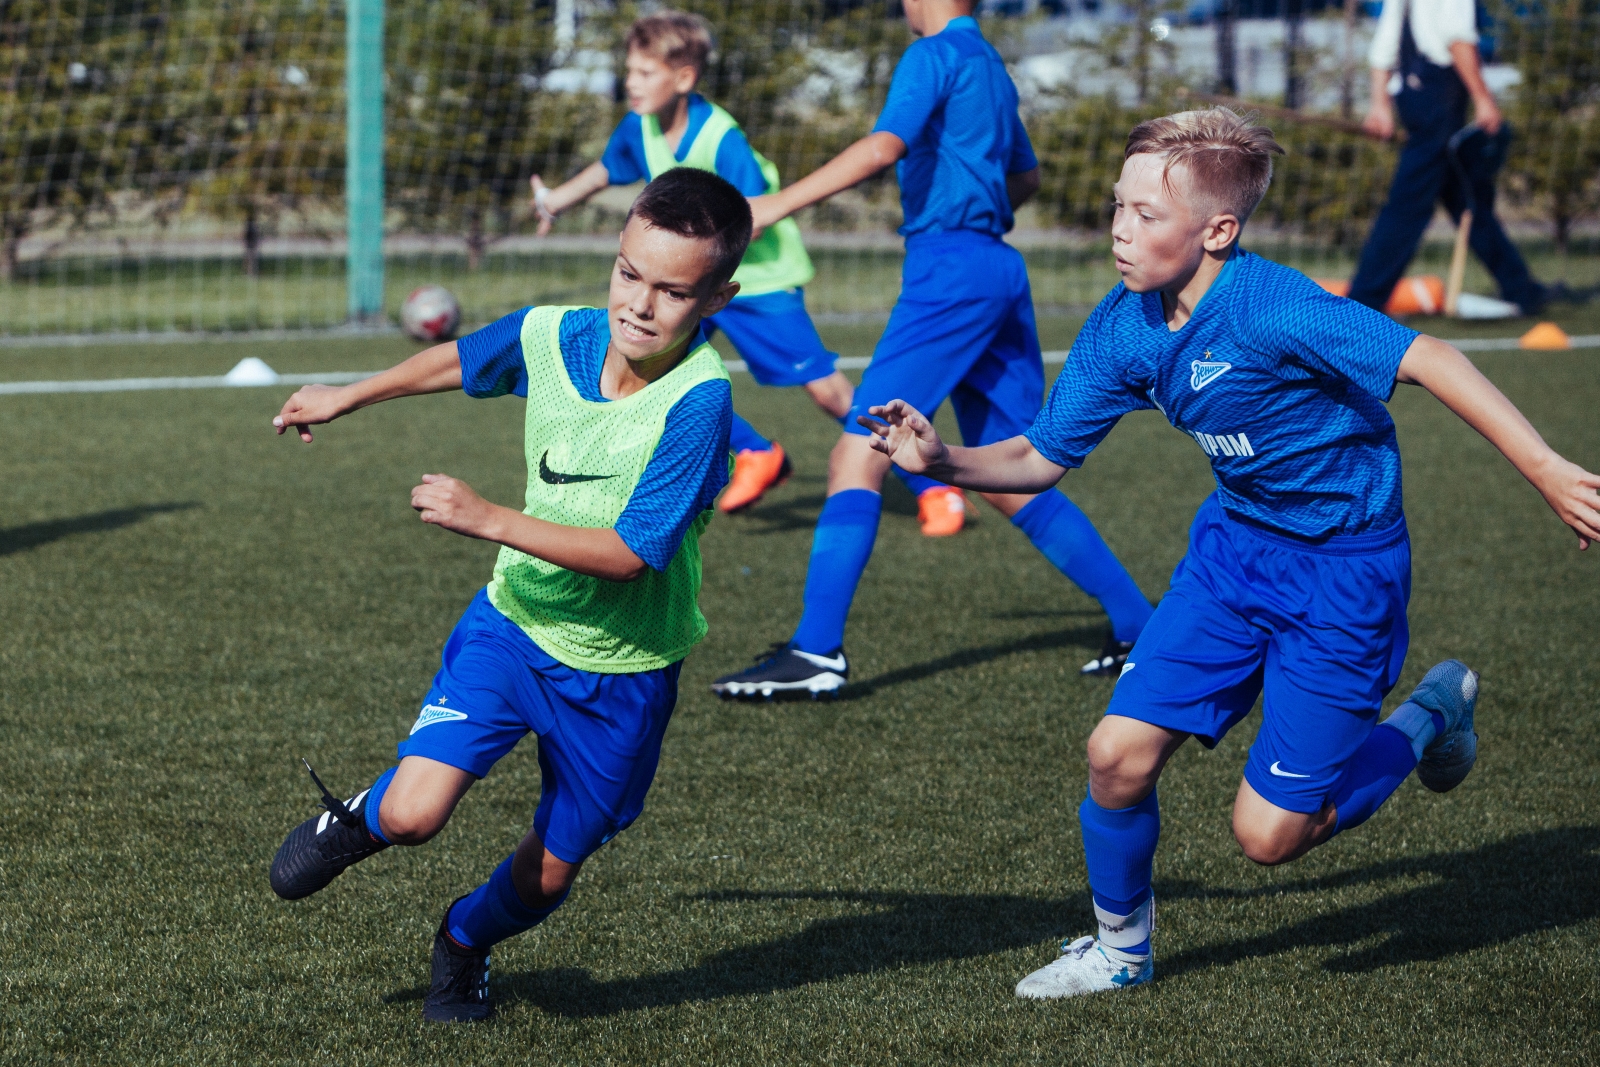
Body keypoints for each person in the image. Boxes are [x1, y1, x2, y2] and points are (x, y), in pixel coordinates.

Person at [860, 107, 1600, 997]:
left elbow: (1430, 355)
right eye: (1117, 207)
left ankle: (1430, 715)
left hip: (1342, 575)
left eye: (1145, 214)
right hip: (1233, 558)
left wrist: (1548, 469)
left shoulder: (1273, 305)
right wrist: (941, 460)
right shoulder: (1124, 324)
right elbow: (1035, 458)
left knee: (1270, 837)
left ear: (1218, 230)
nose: (1119, 231)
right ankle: (1120, 949)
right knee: (1115, 754)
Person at [265, 168, 751, 1022]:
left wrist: (488, 516)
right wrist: (349, 394)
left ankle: (462, 940)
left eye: (673, 290)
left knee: (552, 870)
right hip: (516, 625)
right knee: (414, 815)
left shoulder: (700, 401)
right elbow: (462, 358)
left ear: (717, 295)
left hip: (624, 671)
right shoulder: (555, 336)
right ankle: (359, 814)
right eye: (628, 272)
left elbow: (633, 555)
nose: (638, 303)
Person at [708, 0, 1155, 698]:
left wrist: (770, 205)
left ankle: (817, 652)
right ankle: (1140, 628)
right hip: (998, 267)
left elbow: (884, 146)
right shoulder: (993, 67)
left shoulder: (932, 54)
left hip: (949, 269)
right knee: (1007, 474)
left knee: (859, 447)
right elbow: (1026, 178)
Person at [530, 10, 966, 532]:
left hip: (757, 281)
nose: (632, 83)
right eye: (630, 71)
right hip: (690, 285)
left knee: (829, 393)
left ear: (684, 78)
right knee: (651, 374)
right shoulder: (636, 128)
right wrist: (554, 201)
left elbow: (754, 215)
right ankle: (757, 452)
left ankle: (933, 484)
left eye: (645, 73)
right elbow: (605, 170)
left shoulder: (721, 137)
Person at [1351, 0, 1549, 314]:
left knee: (1466, 200)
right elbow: (1458, 39)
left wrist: (1381, 105)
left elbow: (1385, 44)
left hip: (1413, 93)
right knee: (1408, 205)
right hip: (1438, 94)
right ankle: (1363, 301)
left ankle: (1521, 288)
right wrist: (1483, 98)